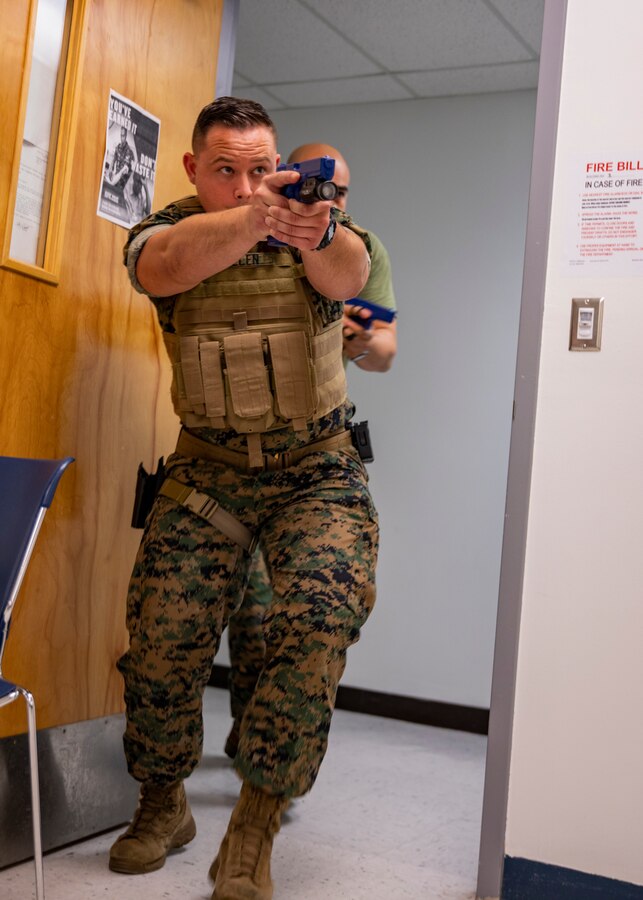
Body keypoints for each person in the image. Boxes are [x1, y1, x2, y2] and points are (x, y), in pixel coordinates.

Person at [108, 97, 379, 900]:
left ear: (279, 162)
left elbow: (350, 271)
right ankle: (162, 804)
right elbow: (164, 266)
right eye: (224, 169)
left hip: (316, 472)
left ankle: (253, 827)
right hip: (208, 474)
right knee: (160, 645)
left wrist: (316, 228)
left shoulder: (317, 224)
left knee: (314, 625)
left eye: (261, 167)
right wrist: (257, 215)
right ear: (194, 170)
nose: (245, 182)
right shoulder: (167, 229)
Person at [224, 142, 397, 759]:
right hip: (233, 452)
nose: (329, 200)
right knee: (247, 611)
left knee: (297, 614)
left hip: (314, 460)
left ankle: (264, 755)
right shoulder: (254, 229)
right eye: (320, 185)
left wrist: (355, 340)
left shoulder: (358, 249)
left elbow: (384, 350)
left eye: (341, 192)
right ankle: (249, 726)